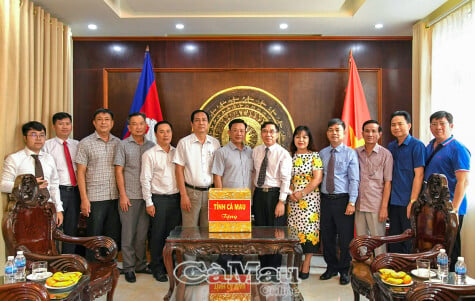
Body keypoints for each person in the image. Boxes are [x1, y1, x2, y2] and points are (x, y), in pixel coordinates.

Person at [424, 111, 470, 271]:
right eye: (434, 124)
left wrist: (454, 209)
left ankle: (452, 287)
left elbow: (463, 181)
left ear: (451, 126)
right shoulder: (430, 146)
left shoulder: (458, 148)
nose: (438, 128)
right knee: (436, 245)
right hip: (432, 206)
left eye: (442, 124)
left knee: (451, 248)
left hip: (451, 208)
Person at [114, 112, 155, 283]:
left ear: (146, 126)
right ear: (129, 127)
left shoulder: (152, 145)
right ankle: (129, 267)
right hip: (129, 196)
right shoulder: (122, 145)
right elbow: (118, 171)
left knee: (142, 234)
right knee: (128, 234)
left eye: (141, 124)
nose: (138, 127)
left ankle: (141, 265)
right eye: (134, 124)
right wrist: (123, 195)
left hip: (147, 197)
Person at [76, 108, 121, 257]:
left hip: (115, 197)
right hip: (94, 198)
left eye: (107, 119)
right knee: (94, 236)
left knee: (112, 236)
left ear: (112, 123)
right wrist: (84, 199)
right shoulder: (85, 143)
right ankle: (92, 267)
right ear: (94, 123)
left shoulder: (119, 143)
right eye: (100, 119)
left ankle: (108, 267)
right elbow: (80, 172)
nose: (103, 122)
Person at [319, 118, 359, 285]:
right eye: (331, 130)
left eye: (337, 130)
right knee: (327, 237)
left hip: (343, 200)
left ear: (343, 133)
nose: (334, 133)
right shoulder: (322, 153)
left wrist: (352, 202)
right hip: (325, 200)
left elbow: (354, 179)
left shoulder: (350, 153)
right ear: (327, 133)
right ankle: (331, 267)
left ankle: (344, 270)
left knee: (345, 238)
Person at [1, 121, 63, 226]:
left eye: (42, 135)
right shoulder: (14, 159)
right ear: (25, 138)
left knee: (50, 241)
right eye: (33, 135)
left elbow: (54, 186)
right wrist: (30, 185)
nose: (38, 138)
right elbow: (3, 185)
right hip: (24, 211)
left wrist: (58, 209)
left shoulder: (49, 158)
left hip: (48, 209)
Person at [141, 121, 180, 282]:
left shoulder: (177, 152)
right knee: (157, 236)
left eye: (168, 131)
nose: (166, 135)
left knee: (173, 236)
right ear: (156, 134)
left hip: (176, 199)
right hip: (158, 200)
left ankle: (170, 267)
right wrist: (149, 202)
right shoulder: (149, 154)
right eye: (162, 132)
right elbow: (145, 179)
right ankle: (157, 268)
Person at [212, 118, 253, 273]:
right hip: (228, 202)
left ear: (245, 132)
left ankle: (238, 265)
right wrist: (221, 201)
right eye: (235, 130)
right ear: (229, 132)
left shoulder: (251, 151)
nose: (238, 133)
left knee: (242, 236)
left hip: (246, 201)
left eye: (241, 130)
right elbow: (217, 177)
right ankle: (224, 266)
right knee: (227, 236)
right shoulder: (222, 152)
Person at [252, 121, 292, 274]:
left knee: (275, 233)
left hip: (275, 196)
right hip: (259, 195)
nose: (268, 134)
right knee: (260, 232)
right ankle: (263, 267)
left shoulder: (283, 154)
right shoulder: (256, 151)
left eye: (271, 131)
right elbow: (255, 174)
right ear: (261, 133)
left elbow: (285, 179)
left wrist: (281, 201)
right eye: (265, 131)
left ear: (277, 134)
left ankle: (273, 270)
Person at [173, 109, 220, 227]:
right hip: (191, 193)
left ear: (208, 123)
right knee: (189, 230)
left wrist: (218, 195)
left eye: (204, 120)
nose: (201, 123)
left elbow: (218, 170)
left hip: (211, 192)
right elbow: (179, 170)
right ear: (192, 124)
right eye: (197, 120)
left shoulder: (215, 143)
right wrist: (183, 195)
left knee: (208, 230)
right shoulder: (184, 143)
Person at [288, 126, 323, 280]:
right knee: (294, 232)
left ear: (309, 140)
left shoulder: (314, 156)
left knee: (309, 231)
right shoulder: (289, 156)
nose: (301, 140)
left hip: (309, 200)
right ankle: (295, 263)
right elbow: (285, 178)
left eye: (304, 137)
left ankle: (306, 263)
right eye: (298, 137)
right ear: (294, 139)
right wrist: (290, 193)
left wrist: (302, 193)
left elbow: (317, 178)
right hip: (293, 201)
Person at [387, 111, 425, 254]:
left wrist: (413, 201)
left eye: (400, 124)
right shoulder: (391, 146)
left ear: (409, 125)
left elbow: (419, 175)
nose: (396, 127)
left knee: (408, 240)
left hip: (407, 202)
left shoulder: (417, 146)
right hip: (393, 201)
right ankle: (394, 272)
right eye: (393, 125)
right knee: (394, 239)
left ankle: (407, 273)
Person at [355, 120, 393, 256]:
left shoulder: (386, 154)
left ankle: (380, 270)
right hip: (359, 204)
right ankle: (363, 271)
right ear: (362, 133)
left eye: (373, 131)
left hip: (376, 205)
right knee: (361, 242)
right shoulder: (356, 153)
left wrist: (384, 207)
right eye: (367, 131)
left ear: (379, 134)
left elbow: (388, 182)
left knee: (378, 241)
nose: (370, 134)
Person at [43, 112, 80, 254]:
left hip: (75, 191)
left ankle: (69, 260)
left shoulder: (77, 144)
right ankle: (55, 259)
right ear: (54, 126)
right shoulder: (47, 146)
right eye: (60, 124)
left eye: (67, 123)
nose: (64, 127)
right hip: (57, 191)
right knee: (55, 227)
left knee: (71, 228)